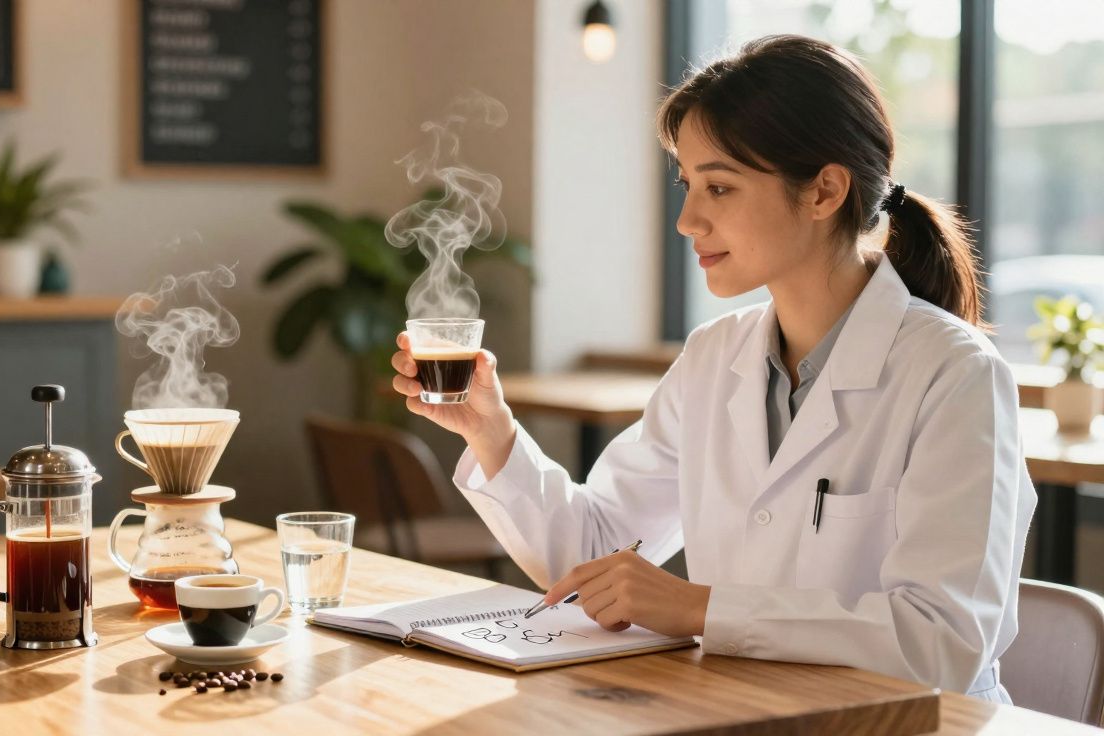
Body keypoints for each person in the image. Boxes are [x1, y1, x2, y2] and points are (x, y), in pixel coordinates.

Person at [389, 34, 1035, 704]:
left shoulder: (955, 374)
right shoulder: (714, 356)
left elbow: (943, 641)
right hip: (741, 711)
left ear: (824, 191)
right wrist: (491, 432)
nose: (687, 220)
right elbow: (596, 555)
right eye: (688, 185)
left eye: (719, 187)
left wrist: (700, 608)